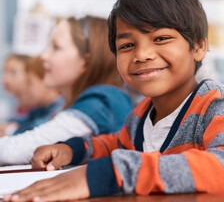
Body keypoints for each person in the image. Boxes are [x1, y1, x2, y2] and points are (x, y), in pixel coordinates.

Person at [4, 0, 224, 202]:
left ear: (198, 46)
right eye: (127, 45)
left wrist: (113, 172)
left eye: (161, 38)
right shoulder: (141, 115)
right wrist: (73, 149)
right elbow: (114, 144)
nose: (142, 55)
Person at [0, 15, 134, 165]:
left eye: (56, 47)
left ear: (85, 61)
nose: (44, 56)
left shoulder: (100, 101)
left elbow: (13, 152)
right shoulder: (100, 98)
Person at [0, 56, 64, 137]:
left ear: (45, 80)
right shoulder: (40, 109)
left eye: (29, 82)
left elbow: (39, 130)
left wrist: (10, 129)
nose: (26, 88)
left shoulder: (60, 108)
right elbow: (24, 121)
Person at [1, 54, 33, 119]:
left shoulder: (35, 108)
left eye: (13, 72)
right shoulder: (14, 105)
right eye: (5, 71)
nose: (5, 78)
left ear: (29, 75)